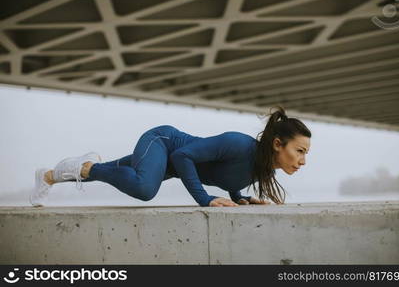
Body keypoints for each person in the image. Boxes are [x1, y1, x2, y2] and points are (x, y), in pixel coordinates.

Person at [30, 105, 311, 207]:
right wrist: (205, 199)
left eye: (305, 154)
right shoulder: (239, 144)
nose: (303, 160)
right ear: (277, 143)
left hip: (171, 161)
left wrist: (238, 197)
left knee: (120, 173)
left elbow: (228, 173)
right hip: (163, 142)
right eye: (299, 151)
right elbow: (184, 156)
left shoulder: (262, 168)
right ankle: (88, 166)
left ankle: (48, 176)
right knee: (143, 188)